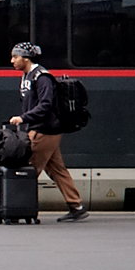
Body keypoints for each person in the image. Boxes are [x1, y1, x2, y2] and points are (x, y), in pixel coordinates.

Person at [7, 42, 88, 223]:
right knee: (57, 170)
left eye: (15, 57)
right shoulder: (27, 76)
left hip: (44, 131)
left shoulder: (42, 77)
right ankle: (76, 206)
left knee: (27, 170)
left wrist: (23, 118)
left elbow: (45, 105)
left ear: (26, 59)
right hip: (42, 129)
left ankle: (13, 207)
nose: (12, 60)